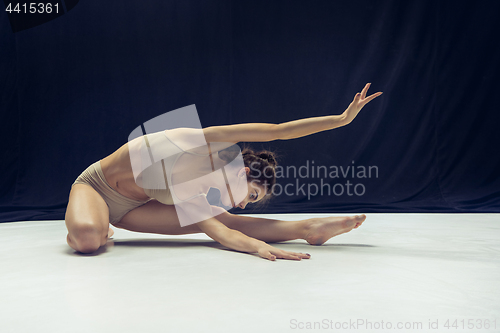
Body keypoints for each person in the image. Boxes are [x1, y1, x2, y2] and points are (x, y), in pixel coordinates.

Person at [65, 83, 383, 260]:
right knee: (89, 239)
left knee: (222, 218)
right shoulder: (201, 142)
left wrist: (257, 247)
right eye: (253, 195)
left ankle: (308, 229)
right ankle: (98, 224)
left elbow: (222, 231)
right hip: (97, 187)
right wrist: (340, 120)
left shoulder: (196, 191)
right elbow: (279, 130)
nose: (245, 203)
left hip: (132, 212)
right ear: (244, 172)